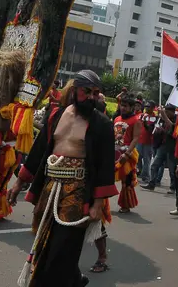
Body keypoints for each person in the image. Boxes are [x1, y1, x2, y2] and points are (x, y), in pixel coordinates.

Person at [7, 70, 118, 287]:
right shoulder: (56, 116)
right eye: (87, 91)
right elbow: (39, 152)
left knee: (64, 246)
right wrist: (19, 182)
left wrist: (98, 204)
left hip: (78, 191)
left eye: (96, 93)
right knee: (45, 241)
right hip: (50, 189)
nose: (92, 97)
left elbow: (105, 167)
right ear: (75, 90)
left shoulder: (102, 124)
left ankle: (57, 281)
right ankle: (72, 279)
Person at [141, 104, 178, 192]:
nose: (165, 114)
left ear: (173, 112)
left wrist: (163, 130)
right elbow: (152, 129)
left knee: (172, 169)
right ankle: (152, 183)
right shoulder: (160, 119)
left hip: (172, 147)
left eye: (167, 112)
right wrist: (149, 126)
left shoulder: (177, 119)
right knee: (155, 165)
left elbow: (174, 132)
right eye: (165, 112)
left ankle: (173, 187)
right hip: (162, 145)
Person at [114, 93, 141, 213]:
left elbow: (135, 138)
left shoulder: (136, 120)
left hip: (127, 154)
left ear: (131, 108)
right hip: (115, 152)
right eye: (121, 105)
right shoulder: (116, 118)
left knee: (126, 181)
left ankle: (126, 205)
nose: (123, 108)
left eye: (125, 106)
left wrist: (127, 153)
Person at [137, 101, 157, 183]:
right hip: (139, 140)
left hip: (149, 142)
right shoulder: (142, 115)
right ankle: (139, 172)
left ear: (153, 108)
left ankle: (145, 177)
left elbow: (150, 129)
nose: (146, 108)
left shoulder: (155, 118)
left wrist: (145, 123)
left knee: (147, 160)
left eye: (148, 106)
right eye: (145, 106)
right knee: (137, 158)